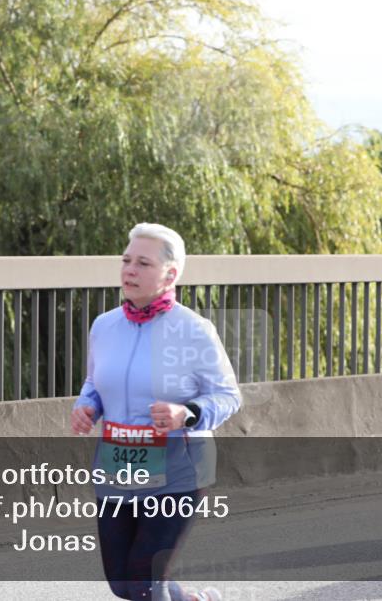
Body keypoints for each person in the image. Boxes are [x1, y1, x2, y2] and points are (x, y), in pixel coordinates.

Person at [71, 223, 241, 601]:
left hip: (178, 470)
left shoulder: (194, 331)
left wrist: (188, 413)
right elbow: (96, 382)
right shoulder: (105, 326)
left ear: (171, 274)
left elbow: (228, 395)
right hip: (118, 465)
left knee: (144, 581)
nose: (129, 270)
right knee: (122, 584)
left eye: (143, 263)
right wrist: (86, 405)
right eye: (126, 260)